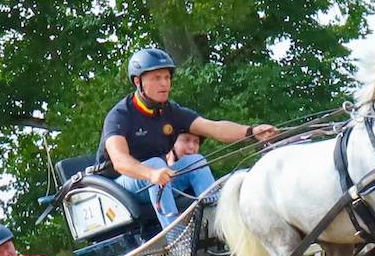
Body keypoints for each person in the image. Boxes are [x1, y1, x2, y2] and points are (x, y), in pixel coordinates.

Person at [98, 48, 277, 229]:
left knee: (195, 161)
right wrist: (150, 173)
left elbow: (214, 128)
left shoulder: (170, 111)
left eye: (167, 77)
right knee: (155, 164)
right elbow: (120, 161)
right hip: (122, 186)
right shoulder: (120, 115)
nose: (164, 84)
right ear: (138, 81)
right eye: (157, 78)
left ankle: (219, 228)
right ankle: (176, 238)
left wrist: (252, 132)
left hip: (159, 177)